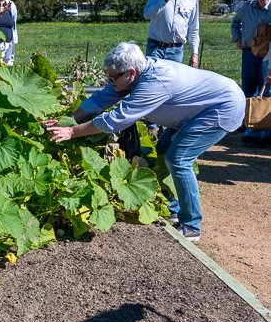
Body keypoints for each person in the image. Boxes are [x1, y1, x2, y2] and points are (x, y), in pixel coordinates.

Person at [45, 42, 245, 243]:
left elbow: (117, 119)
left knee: (178, 160)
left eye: (112, 77)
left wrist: (71, 132)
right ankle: (174, 210)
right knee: (164, 150)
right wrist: (70, 120)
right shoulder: (133, 75)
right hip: (196, 109)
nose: (109, 81)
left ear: (130, 73)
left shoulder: (154, 83)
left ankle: (191, 225)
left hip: (222, 107)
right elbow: (101, 99)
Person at [231, 0, 271, 146]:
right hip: (248, 53)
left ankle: (263, 131)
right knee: (248, 89)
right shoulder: (247, 7)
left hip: (268, 55)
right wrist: (237, 38)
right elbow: (235, 22)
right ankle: (248, 124)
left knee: (266, 91)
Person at [143, 0, 200, 68]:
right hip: (156, 47)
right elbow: (147, 15)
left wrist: (195, 53)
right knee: (153, 82)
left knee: (173, 84)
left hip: (176, 51)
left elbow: (194, 28)